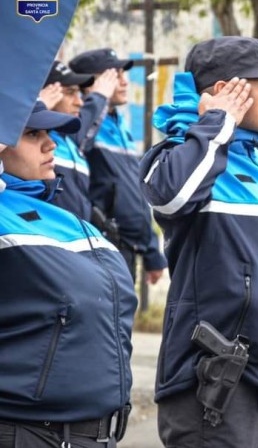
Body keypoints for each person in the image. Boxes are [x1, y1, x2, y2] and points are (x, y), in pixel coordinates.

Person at [139, 36, 258, 448]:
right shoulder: (181, 152)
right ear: (226, 92)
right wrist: (216, 123)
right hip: (215, 384)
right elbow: (170, 196)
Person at [0, 101, 137, 448]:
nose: (51, 144)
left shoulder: (69, 219)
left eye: (49, 133)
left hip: (94, 432)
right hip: (27, 431)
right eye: (33, 134)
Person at [69, 48, 166, 284]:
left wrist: (152, 252)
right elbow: (78, 139)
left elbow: (133, 195)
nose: (124, 82)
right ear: (91, 83)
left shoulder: (119, 123)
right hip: (100, 246)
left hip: (126, 250)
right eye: (114, 75)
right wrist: (97, 98)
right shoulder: (82, 121)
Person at [39, 60, 118, 220]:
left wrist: (100, 95)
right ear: (47, 93)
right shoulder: (29, 143)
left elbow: (88, 116)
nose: (79, 101)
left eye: (79, 93)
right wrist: (38, 107)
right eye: (70, 92)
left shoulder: (71, 140)